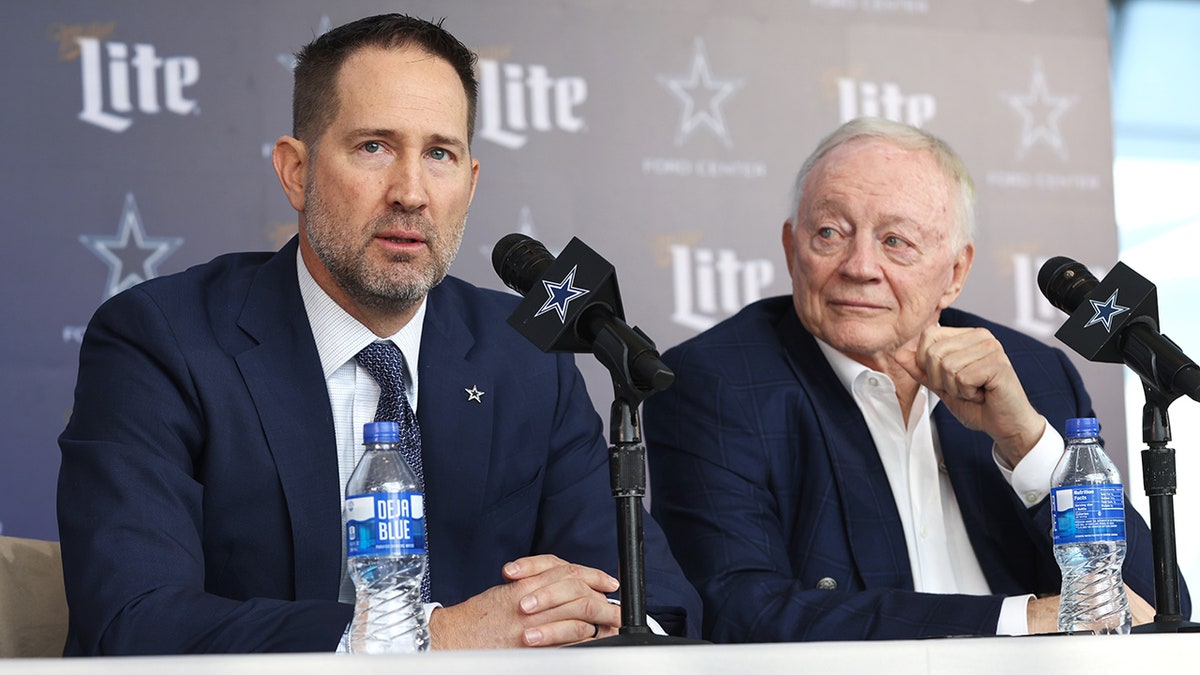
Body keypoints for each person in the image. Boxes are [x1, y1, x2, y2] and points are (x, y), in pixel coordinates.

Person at [57, 14, 700, 655]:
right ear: (295, 172)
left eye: (439, 154)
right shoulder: (161, 340)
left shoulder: (527, 361)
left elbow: (658, 607)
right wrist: (428, 640)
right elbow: (131, 620)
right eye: (374, 147)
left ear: (470, 185)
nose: (412, 193)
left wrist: (595, 620)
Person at [643, 117, 1189, 642]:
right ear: (791, 249)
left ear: (955, 272)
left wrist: (1026, 442)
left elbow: (1151, 605)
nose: (859, 266)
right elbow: (738, 612)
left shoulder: (1034, 373)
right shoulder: (718, 381)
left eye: (895, 241)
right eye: (830, 233)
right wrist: (1019, 623)